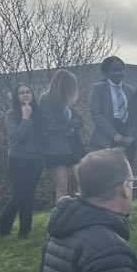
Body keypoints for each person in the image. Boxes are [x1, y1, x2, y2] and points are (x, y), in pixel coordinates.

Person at [0, 81, 44, 238]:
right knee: (19, 195)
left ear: (32, 94)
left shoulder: (40, 114)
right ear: (16, 97)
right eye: (21, 92)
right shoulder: (11, 114)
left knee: (29, 195)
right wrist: (25, 117)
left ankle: (25, 231)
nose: (25, 94)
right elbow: (18, 136)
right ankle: (3, 225)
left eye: (28, 91)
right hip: (17, 159)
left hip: (36, 160)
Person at [39, 68, 84, 201]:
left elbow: (79, 121)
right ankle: (61, 216)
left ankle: (83, 212)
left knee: (83, 182)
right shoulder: (46, 100)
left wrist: (71, 126)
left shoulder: (68, 101)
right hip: (56, 149)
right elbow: (50, 125)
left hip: (74, 146)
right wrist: (69, 128)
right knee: (62, 186)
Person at [89, 57, 137, 165]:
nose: (118, 73)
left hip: (128, 139)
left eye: (121, 70)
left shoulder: (130, 90)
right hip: (107, 138)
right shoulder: (98, 89)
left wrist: (132, 135)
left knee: (126, 175)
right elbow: (96, 114)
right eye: (114, 70)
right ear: (106, 72)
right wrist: (114, 134)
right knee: (108, 175)